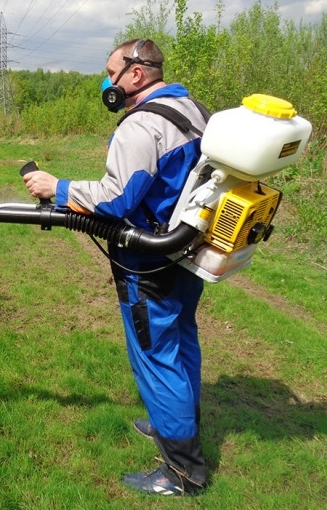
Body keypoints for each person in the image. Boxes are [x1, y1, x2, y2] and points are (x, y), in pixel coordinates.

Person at [22, 39, 208, 496]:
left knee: (155, 356)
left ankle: (182, 472)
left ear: (136, 74)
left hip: (149, 263)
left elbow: (115, 198)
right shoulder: (193, 109)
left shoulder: (142, 125)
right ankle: (174, 421)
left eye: (111, 72)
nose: (106, 82)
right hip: (186, 253)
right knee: (181, 340)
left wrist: (56, 186)